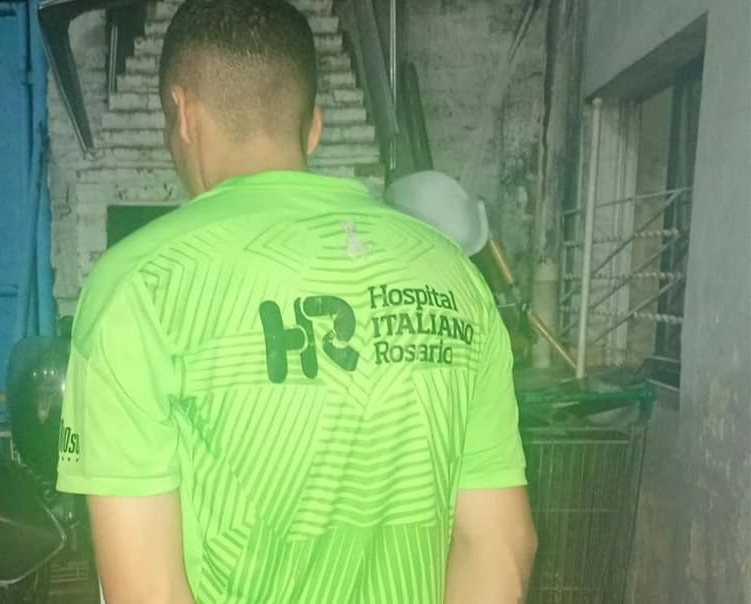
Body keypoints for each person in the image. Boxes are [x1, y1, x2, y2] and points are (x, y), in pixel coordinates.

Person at [55, 0, 537, 602]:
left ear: (183, 112)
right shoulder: (452, 276)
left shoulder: (139, 287)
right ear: (313, 126)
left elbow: (147, 591)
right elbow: (501, 548)